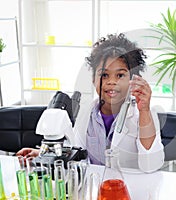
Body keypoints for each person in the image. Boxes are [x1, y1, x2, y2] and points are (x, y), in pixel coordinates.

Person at [17, 33, 165, 173]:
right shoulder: (87, 112)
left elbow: (150, 165)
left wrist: (144, 111)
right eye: (104, 75)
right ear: (94, 79)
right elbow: (76, 152)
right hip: (96, 189)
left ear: (132, 79)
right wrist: (42, 155)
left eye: (120, 75)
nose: (112, 82)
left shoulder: (144, 114)